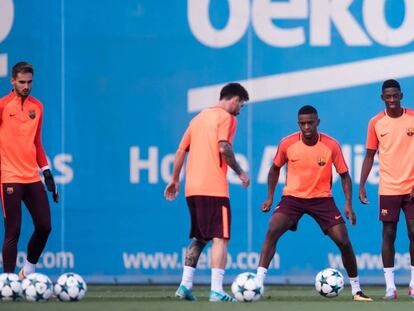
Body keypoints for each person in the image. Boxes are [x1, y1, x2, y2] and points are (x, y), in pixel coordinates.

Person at [255, 105, 372, 301]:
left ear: (317, 122)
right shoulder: (287, 143)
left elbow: (345, 175)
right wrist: (270, 197)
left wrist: (348, 204)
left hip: (322, 199)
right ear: (298, 124)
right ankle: (258, 283)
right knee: (273, 228)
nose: (307, 127)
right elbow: (274, 169)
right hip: (293, 198)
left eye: (310, 123)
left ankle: (356, 290)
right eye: (303, 123)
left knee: (343, 240)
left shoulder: (331, 145)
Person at [164, 82, 250, 302]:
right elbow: (224, 147)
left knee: (200, 237)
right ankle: (217, 290)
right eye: (241, 104)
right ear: (234, 99)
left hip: (192, 189)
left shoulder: (198, 118)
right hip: (214, 189)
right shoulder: (228, 118)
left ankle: (184, 286)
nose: (241, 109)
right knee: (221, 238)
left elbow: (181, 150)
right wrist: (240, 172)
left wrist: (174, 180)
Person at [0, 62, 59, 277]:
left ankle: (27, 271)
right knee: (13, 231)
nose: (26, 86)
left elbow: (37, 143)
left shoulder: (37, 107)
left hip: (31, 177)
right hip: (10, 178)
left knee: (44, 226)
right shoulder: (3, 105)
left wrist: (46, 171)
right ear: (12, 81)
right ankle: (6, 281)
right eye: (22, 82)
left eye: (29, 82)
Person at [359, 79, 414, 300]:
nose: (392, 100)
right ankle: (390, 287)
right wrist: (362, 185)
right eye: (387, 97)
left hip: (411, 187)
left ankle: (413, 285)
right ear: (382, 98)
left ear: (401, 95)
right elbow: (369, 156)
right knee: (388, 234)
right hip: (389, 187)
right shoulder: (375, 123)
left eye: (395, 96)